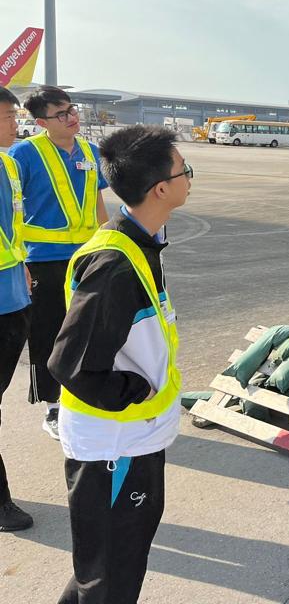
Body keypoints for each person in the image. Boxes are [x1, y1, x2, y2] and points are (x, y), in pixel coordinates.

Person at [47, 125, 190, 603]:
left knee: (106, 569)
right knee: (109, 577)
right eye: (184, 170)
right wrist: (132, 390)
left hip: (134, 437)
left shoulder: (142, 242)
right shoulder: (116, 264)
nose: (190, 178)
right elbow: (70, 364)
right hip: (114, 443)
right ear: (161, 189)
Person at [9, 86, 109, 439]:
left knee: (90, 330)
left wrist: (107, 244)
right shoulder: (24, 154)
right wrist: (18, 259)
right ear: (41, 122)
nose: (71, 117)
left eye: (72, 109)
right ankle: (53, 407)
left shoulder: (90, 152)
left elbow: (97, 202)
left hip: (87, 256)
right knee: (48, 333)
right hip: (43, 260)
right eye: (61, 114)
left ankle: (85, 397)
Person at [0, 86, 33, 532]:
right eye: (8, 116)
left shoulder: (8, 163)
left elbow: (13, 228)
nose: (15, 123)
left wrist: (22, 267)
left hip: (14, 301)